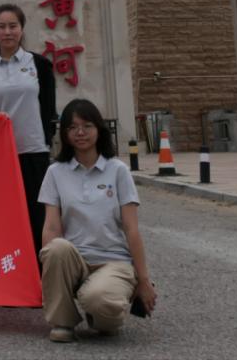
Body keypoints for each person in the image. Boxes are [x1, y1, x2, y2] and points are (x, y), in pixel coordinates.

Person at [39, 99, 157, 343]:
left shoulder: (118, 170)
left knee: (101, 305)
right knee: (56, 248)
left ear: (99, 129)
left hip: (113, 261)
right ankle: (62, 322)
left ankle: (100, 308)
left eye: (87, 126)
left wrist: (144, 280)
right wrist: (52, 274)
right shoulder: (55, 172)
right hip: (75, 260)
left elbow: (131, 229)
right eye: (72, 127)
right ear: (65, 134)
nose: (80, 133)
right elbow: (51, 227)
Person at [0, 3, 56, 259]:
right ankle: (12, 267)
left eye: (13, 26)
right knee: (5, 214)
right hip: (1, 155)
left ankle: (42, 270)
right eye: (1, 26)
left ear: (21, 29)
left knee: (37, 215)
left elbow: (49, 108)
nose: (7, 32)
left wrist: (48, 139)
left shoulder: (39, 64)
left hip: (34, 150)